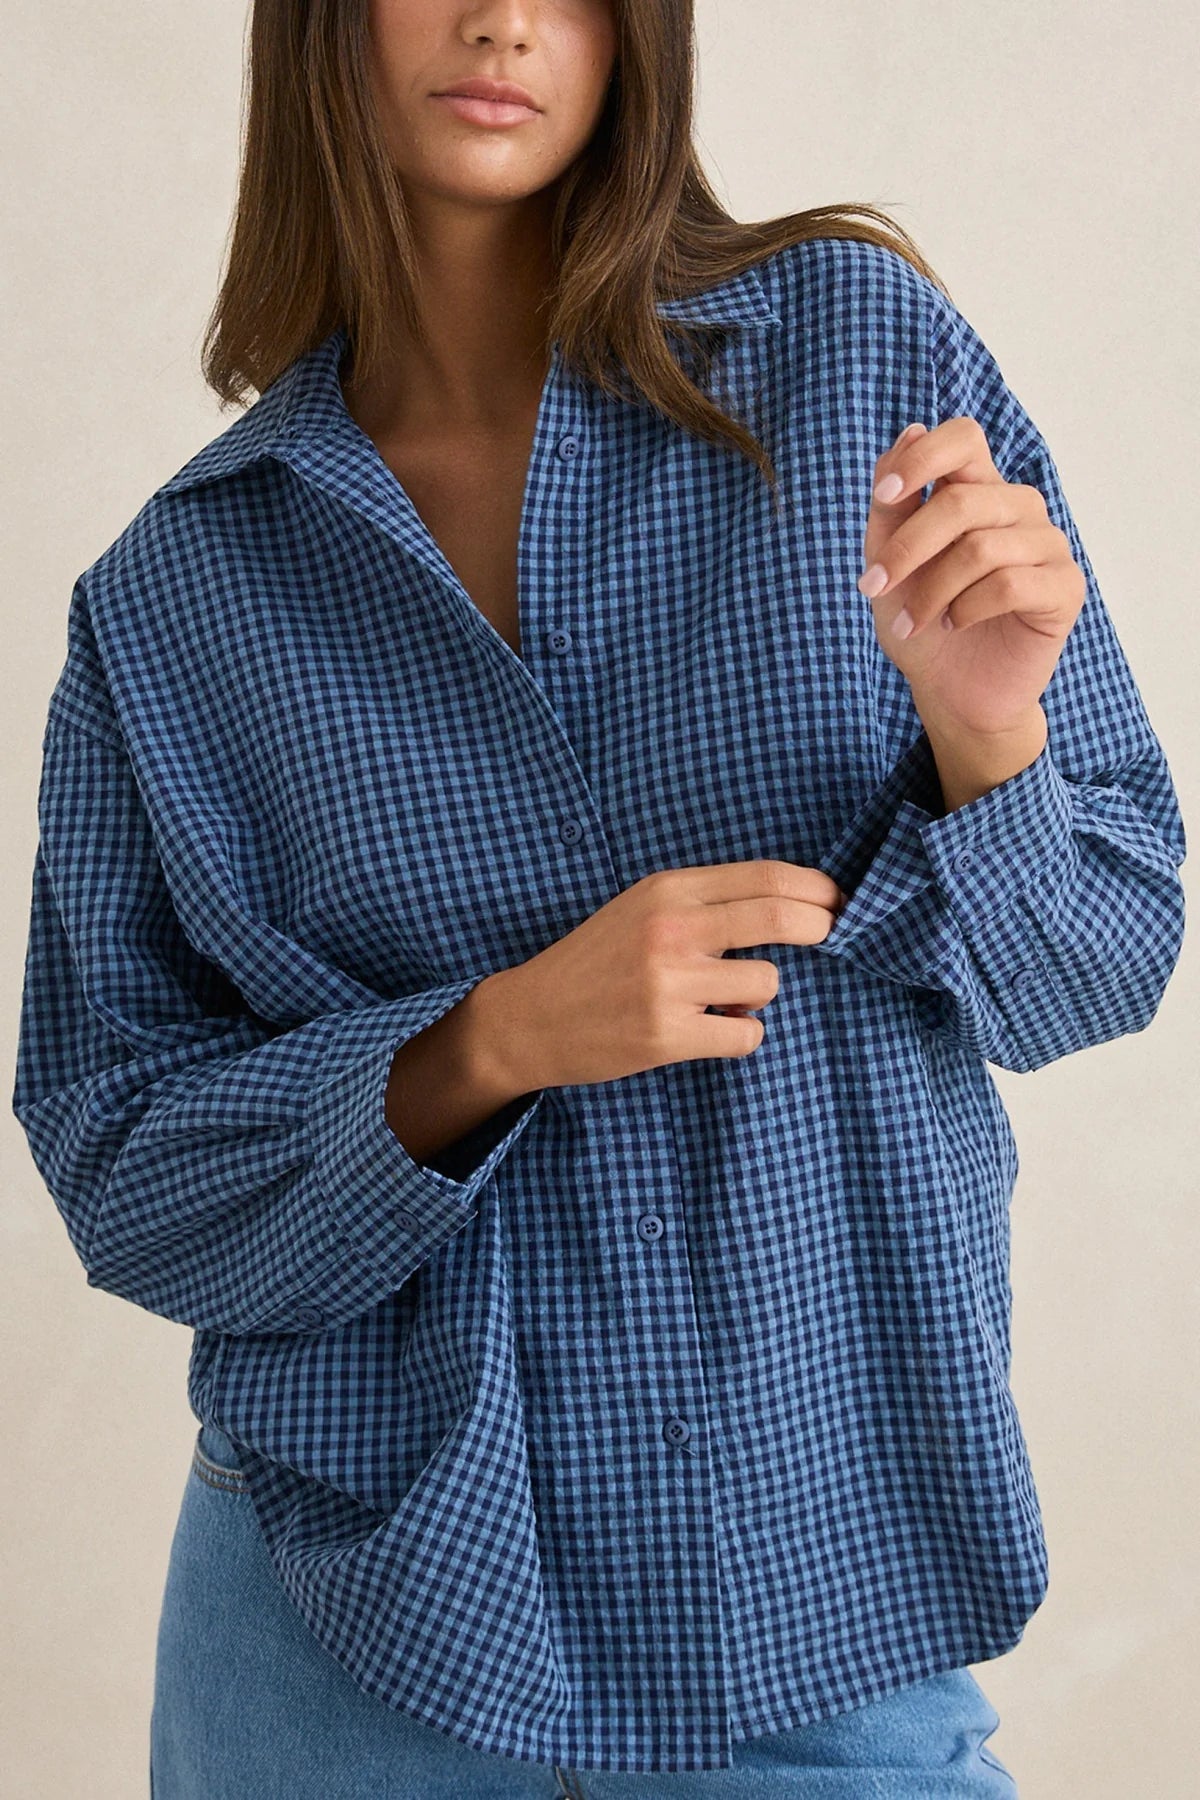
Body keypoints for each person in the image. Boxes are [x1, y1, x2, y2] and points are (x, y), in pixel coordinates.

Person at [12, 2, 1186, 1796]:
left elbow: (1102, 958)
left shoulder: (854, 357)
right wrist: (489, 1043)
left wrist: (985, 733)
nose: (503, 19)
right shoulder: (177, 597)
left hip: (803, 1576)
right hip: (350, 1610)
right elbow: (119, 1161)